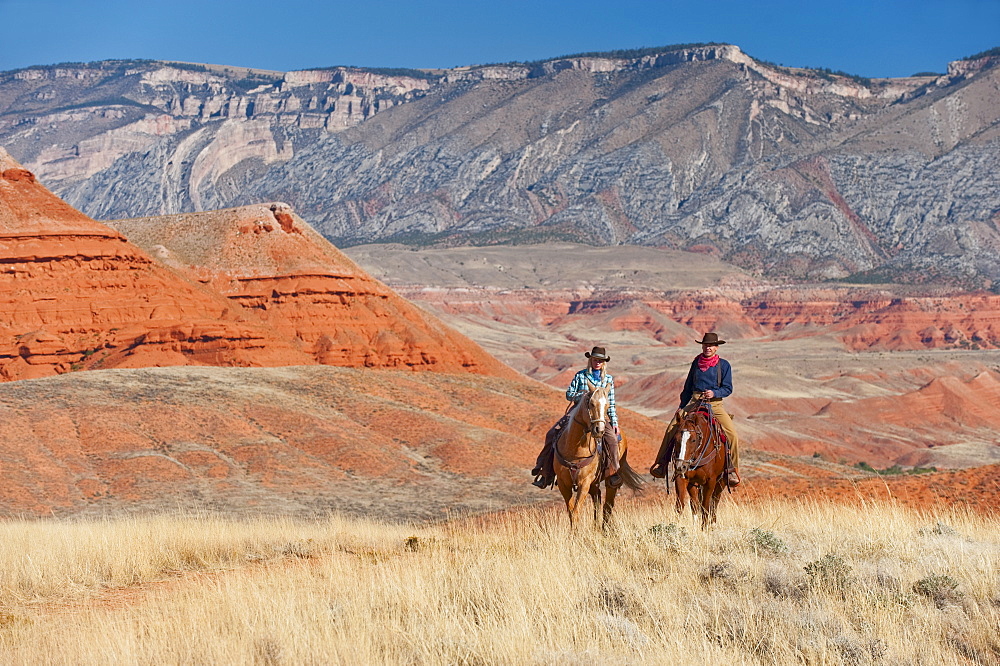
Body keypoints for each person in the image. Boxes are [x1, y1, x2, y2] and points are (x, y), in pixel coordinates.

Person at [649, 332, 741, 487]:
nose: (708, 348)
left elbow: (728, 388)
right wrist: (681, 407)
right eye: (705, 345)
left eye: (711, 345)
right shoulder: (696, 362)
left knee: (732, 434)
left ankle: (732, 470)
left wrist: (714, 393)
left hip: (715, 404)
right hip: (694, 401)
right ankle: (661, 464)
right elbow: (687, 387)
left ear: (716, 347)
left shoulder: (724, 365)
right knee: (671, 428)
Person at [531, 346, 622, 489]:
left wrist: (614, 422)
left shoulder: (608, 380)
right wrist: (584, 395)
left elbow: (611, 403)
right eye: (595, 359)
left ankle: (614, 472)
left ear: (604, 362)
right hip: (577, 412)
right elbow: (569, 394)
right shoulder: (580, 375)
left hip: (599, 415)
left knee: (612, 439)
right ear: (590, 360)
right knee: (552, 433)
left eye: (600, 360)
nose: (597, 362)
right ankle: (545, 472)